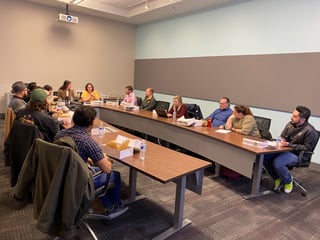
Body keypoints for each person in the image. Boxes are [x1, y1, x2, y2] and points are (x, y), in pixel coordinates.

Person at [54, 106, 128, 218]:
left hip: (61, 176)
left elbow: (70, 153)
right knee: (114, 175)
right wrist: (103, 156)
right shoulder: (87, 141)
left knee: (97, 170)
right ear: (91, 123)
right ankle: (116, 206)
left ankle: (108, 206)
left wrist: (87, 158)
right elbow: (107, 169)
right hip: (80, 181)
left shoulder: (60, 134)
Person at [263, 106, 318, 193]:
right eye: (292, 115)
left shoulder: (310, 131)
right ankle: (277, 178)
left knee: (278, 162)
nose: (291, 117)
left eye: (295, 116)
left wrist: (289, 144)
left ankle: (288, 181)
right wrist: (281, 140)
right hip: (284, 149)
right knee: (264, 156)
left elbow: (307, 148)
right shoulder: (290, 124)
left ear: (303, 119)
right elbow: (283, 136)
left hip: (298, 154)